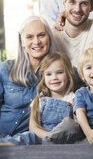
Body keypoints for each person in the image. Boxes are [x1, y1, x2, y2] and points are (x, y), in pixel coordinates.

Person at [0, 15, 54, 144]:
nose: (36, 42)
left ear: (49, 38)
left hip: (27, 143)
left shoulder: (59, 73)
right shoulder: (5, 69)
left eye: (41, 35)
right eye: (29, 37)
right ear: (22, 42)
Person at [29, 52, 77, 142]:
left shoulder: (73, 99)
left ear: (68, 74)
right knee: (25, 136)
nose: (54, 77)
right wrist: (50, 137)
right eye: (49, 74)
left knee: (69, 124)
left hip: (64, 140)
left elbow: (75, 128)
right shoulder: (40, 100)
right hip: (42, 138)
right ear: (43, 77)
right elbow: (33, 128)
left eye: (59, 72)